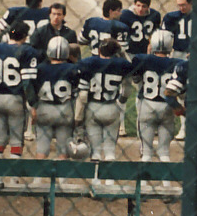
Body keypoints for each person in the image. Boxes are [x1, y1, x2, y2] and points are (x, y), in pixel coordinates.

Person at [76, 38, 135, 170]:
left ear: (99, 50)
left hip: (93, 107)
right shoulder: (122, 64)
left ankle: (95, 179)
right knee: (110, 151)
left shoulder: (89, 63)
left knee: (95, 151)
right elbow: (127, 89)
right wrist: (121, 101)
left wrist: (79, 116)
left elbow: (83, 95)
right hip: (111, 107)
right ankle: (110, 180)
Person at [0, 22, 38, 158]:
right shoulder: (27, 51)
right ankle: (14, 171)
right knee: (16, 141)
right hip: (15, 98)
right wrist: (32, 103)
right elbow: (27, 81)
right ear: (25, 36)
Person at [130, 30, 183, 162]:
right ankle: (165, 174)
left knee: (146, 152)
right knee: (164, 152)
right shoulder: (178, 63)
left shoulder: (141, 59)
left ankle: (144, 174)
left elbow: (136, 80)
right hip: (166, 106)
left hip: (147, 104)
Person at [32, 37, 78, 160]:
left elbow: (33, 89)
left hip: (45, 109)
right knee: (63, 149)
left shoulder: (40, 68)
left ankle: (39, 172)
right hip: (65, 109)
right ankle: (62, 172)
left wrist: (33, 108)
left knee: (42, 148)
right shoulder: (72, 69)